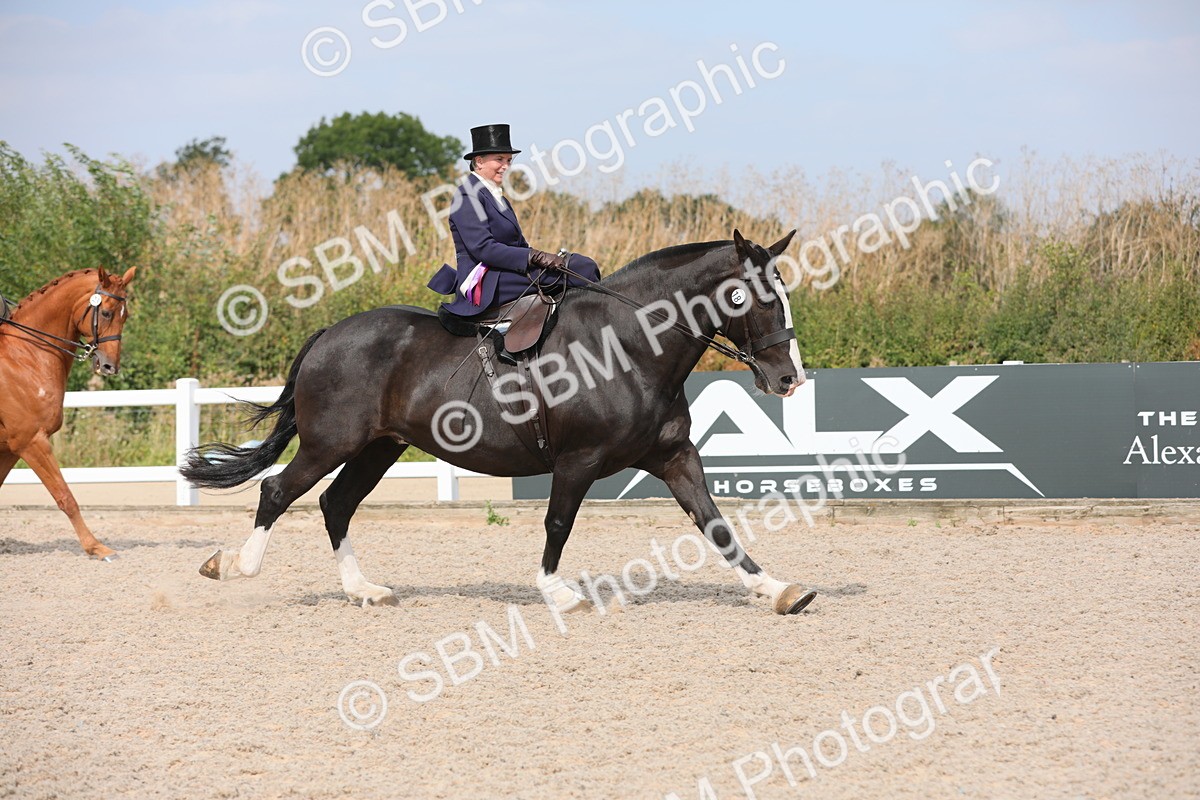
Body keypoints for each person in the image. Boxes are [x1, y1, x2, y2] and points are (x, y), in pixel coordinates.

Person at [427, 124, 602, 318]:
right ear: (479, 161)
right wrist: (535, 257)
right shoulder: (467, 196)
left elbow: (520, 244)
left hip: (505, 273)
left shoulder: (498, 198)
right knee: (580, 268)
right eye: (499, 159)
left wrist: (541, 260)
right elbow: (483, 248)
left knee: (579, 264)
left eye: (509, 160)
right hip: (484, 282)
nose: (506, 166)